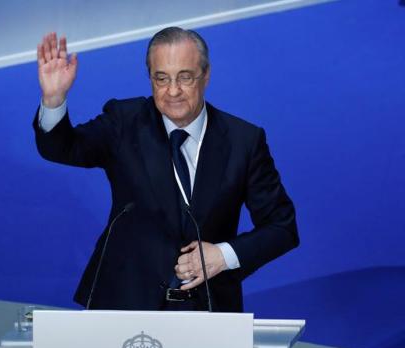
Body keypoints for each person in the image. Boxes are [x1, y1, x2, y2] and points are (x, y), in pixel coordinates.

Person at [33, 27, 299, 312]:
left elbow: (282, 227)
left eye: (185, 77)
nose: (173, 91)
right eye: (161, 78)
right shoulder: (125, 122)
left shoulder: (242, 141)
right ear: (150, 78)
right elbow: (62, 148)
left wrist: (222, 255)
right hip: (125, 303)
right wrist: (54, 100)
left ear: (206, 75)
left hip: (207, 309)